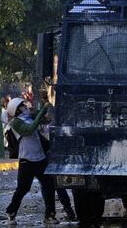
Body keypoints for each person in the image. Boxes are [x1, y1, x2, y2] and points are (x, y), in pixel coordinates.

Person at [5, 97, 59, 225]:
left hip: (40, 158)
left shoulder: (29, 117)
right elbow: (28, 129)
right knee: (23, 189)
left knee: (49, 187)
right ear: (17, 110)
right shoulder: (15, 123)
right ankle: (11, 211)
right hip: (27, 161)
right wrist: (42, 111)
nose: (26, 107)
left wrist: (44, 106)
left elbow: (41, 118)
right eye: (23, 106)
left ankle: (50, 215)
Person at [39, 91, 76, 221]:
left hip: (50, 158)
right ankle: (67, 210)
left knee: (50, 187)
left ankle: (56, 211)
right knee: (56, 187)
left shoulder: (52, 127)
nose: (47, 115)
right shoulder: (54, 125)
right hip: (52, 158)